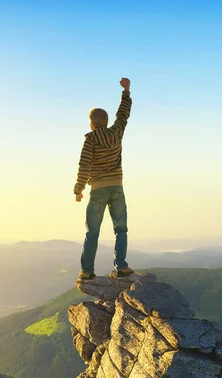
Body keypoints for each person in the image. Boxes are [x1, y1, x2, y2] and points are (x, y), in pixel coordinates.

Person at [74, 77, 134, 281]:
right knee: (121, 229)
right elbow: (123, 113)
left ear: (91, 124)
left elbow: (84, 165)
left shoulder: (90, 140)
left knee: (92, 232)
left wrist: (78, 188)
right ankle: (122, 266)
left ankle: (87, 270)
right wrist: (126, 91)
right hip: (117, 188)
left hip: (98, 189)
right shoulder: (117, 132)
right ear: (107, 122)